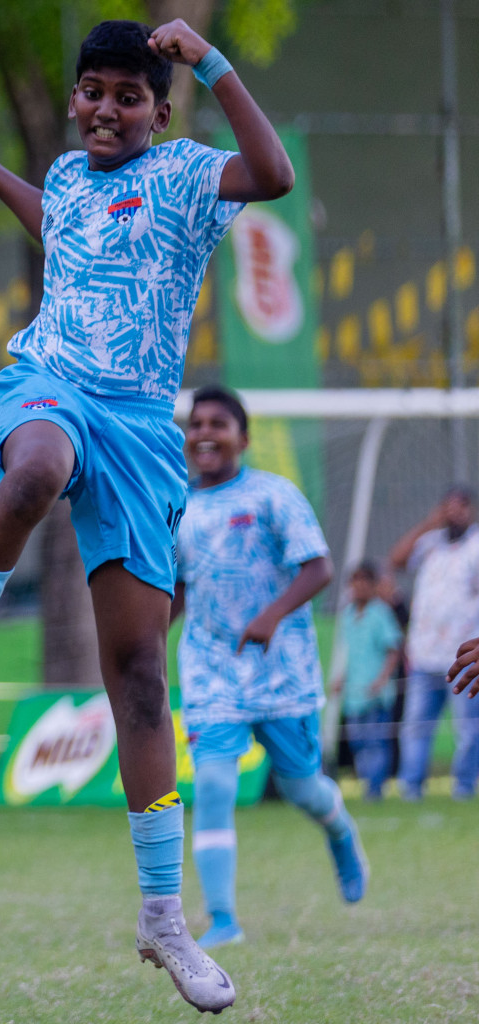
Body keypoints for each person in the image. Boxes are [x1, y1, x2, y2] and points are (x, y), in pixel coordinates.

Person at [0, 18, 295, 1012]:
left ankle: (165, 918)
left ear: (158, 111)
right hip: (51, 379)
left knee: (141, 681)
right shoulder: (71, 175)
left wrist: (209, 60)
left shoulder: (192, 175)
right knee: (29, 473)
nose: (105, 109)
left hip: (141, 430)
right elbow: (55, 221)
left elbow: (275, 174)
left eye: (127, 96)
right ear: (75, 100)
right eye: (92, 93)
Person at [171, 386, 367, 950]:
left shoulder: (272, 495)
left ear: (243, 438)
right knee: (210, 785)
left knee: (302, 788)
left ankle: (339, 831)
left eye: (218, 423)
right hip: (210, 671)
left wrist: (270, 616)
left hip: (283, 674)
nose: (204, 432)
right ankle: (224, 920)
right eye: (196, 423)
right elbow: (180, 586)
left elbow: (319, 567)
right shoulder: (177, 506)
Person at [387, 486, 479, 799]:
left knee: (468, 728)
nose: (455, 513)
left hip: (464, 656)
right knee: (415, 726)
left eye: (462, 507)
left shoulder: (476, 545)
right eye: (449, 507)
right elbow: (396, 560)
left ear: (471, 511)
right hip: (423, 655)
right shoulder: (430, 542)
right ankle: (410, 790)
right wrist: (430, 523)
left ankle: (464, 788)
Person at [331, 561, 404, 800]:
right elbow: (349, 654)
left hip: (376, 693)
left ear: (373, 586)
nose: (360, 587)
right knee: (357, 743)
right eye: (356, 582)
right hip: (354, 694)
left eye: (365, 582)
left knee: (376, 742)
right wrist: (340, 679)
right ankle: (368, 787)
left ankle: (375, 790)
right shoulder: (348, 615)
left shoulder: (380, 612)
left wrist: (382, 679)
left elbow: (394, 648)